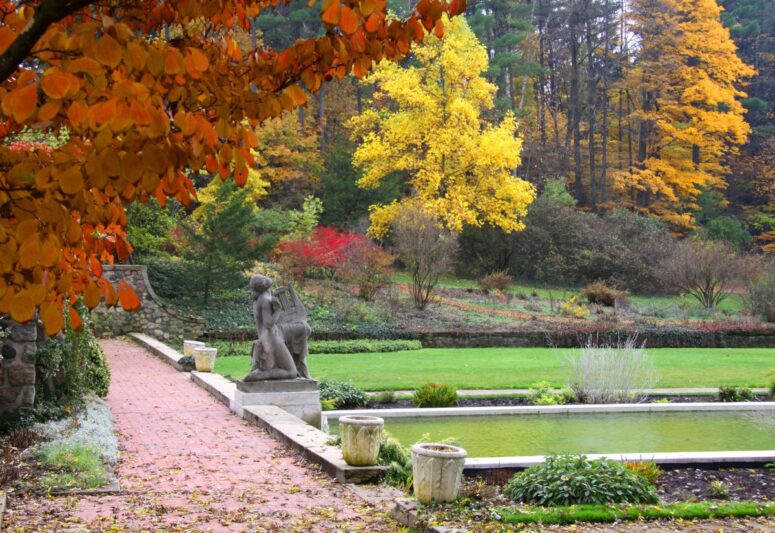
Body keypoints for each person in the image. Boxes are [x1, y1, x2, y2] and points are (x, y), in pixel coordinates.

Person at [244, 275, 297, 381]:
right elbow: (268, 324)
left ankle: (260, 373)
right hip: (272, 339)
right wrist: (278, 310)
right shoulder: (266, 299)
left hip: (265, 339)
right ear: (267, 287)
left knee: (282, 367)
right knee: (291, 372)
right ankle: (259, 375)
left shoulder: (258, 299)